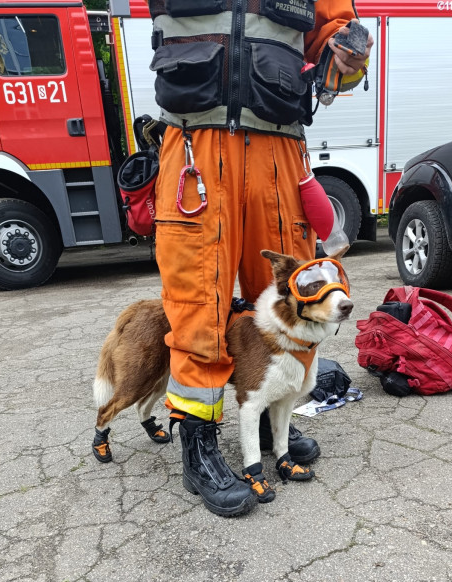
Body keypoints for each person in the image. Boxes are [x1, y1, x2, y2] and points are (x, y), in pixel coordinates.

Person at [149, 0, 373, 517]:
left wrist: (347, 56)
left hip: (280, 152)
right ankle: (199, 447)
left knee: (289, 300)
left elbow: (332, 34)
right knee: (197, 303)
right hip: (193, 142)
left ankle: (278, 423)